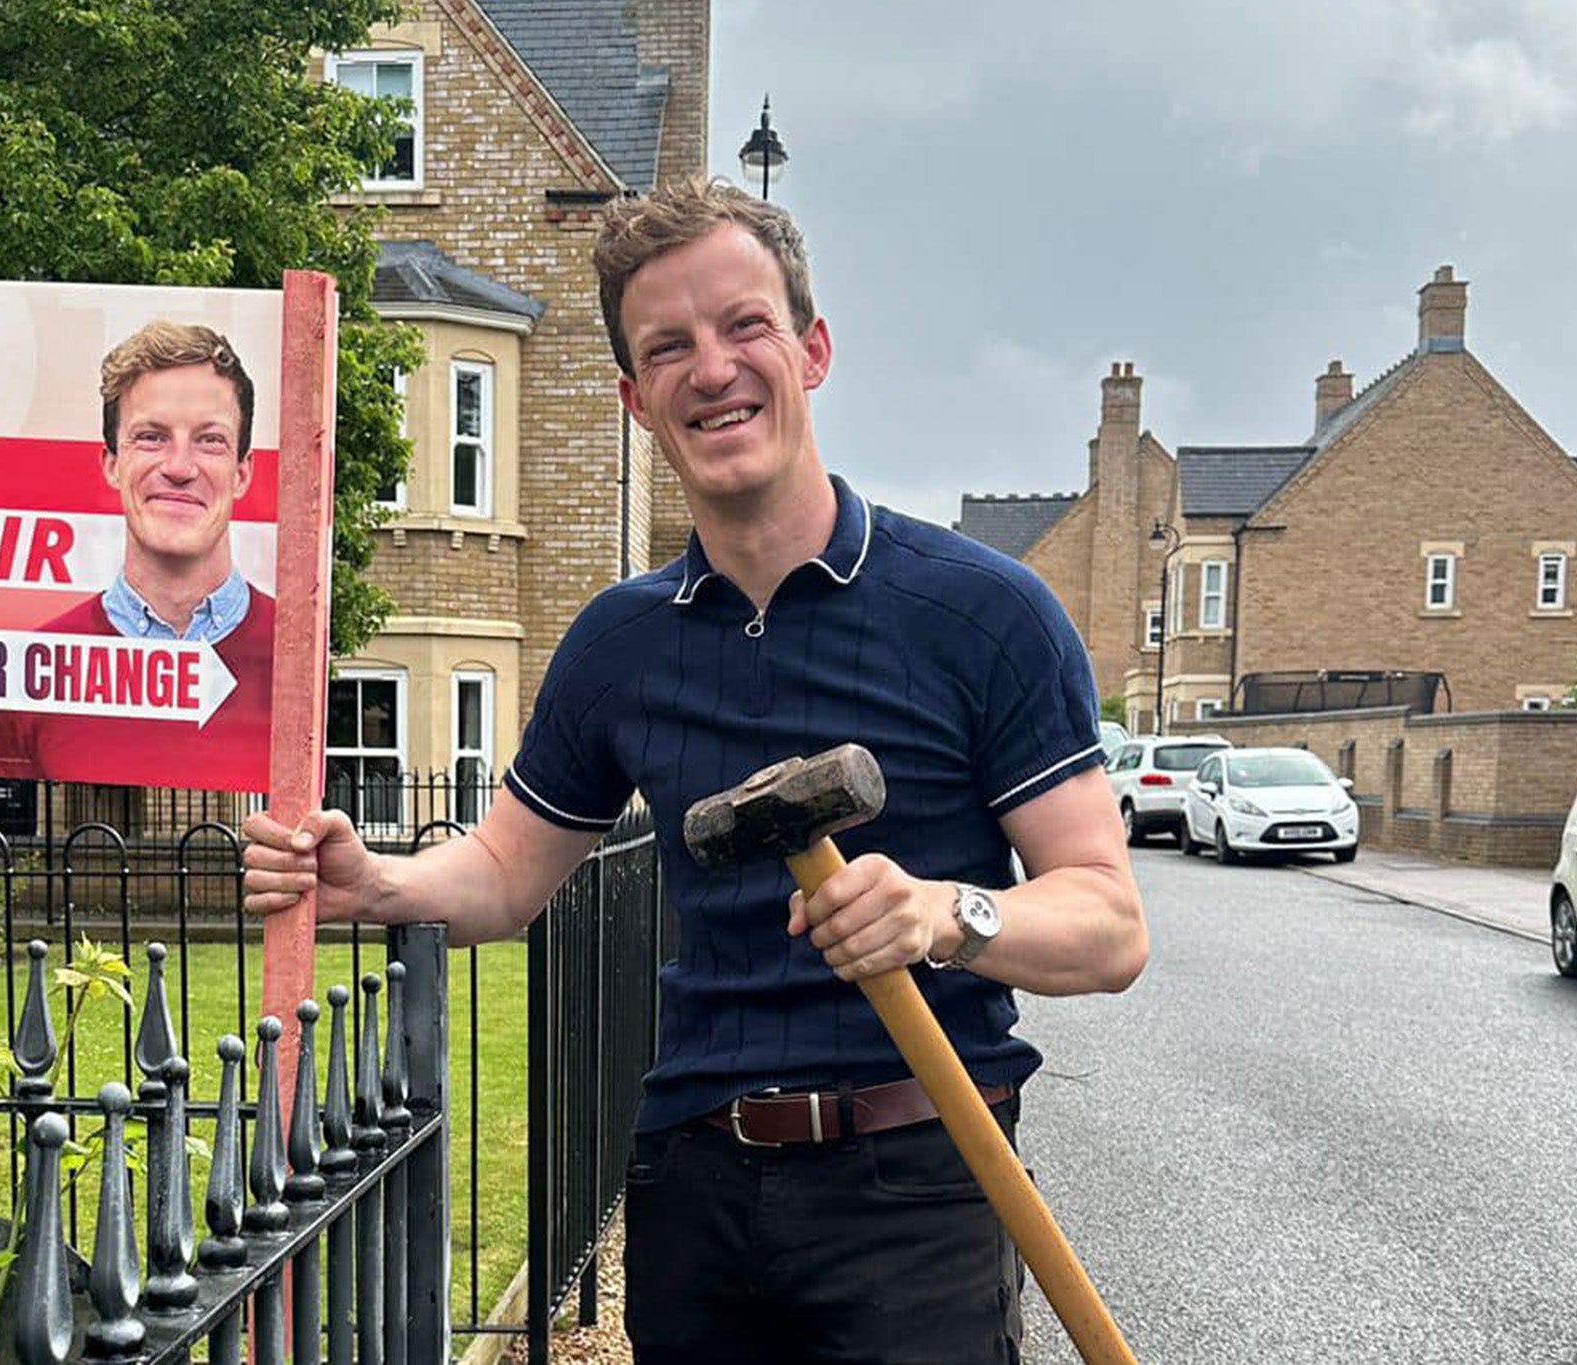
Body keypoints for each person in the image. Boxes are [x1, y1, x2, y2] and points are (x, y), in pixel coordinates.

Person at [241, 177, 1148, 1364]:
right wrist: (384, 884)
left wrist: (938, 914)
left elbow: (1107, 922)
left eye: (743, 326)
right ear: (634, 399)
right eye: (667, 347)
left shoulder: (981, 614)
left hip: (920, 1177)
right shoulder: (619, 645)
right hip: (693, 1183)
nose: (709, 369)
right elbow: (509, 871)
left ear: (811, 349)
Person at [0, 321, 274, 787]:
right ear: (112, 465)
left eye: (209, 440)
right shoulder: (27, 673)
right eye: (151, 437)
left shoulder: (299, 660)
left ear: (242, 473)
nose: (178, 467)